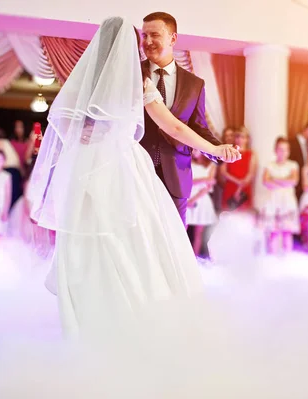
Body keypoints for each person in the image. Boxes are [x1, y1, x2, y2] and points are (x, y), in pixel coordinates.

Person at [28, 17, 240, 339]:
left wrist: (86, 134)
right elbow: (174, 127)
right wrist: (216, 148)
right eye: (140, 38)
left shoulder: (88, 81)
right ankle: (133, 310)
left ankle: (86, 310)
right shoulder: (135, 81)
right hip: (121, 163)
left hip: (86, 166)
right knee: (136, 238)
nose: (144, 43)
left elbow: (66, 122)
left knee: (90, 236)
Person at [139, 12, 223, 226]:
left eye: (154, 35)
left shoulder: (195, 84)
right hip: (136, 172)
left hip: (176, 175)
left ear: (173, 38)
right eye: (144, 35)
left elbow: (198, 127)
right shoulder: (132, 73)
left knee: (174, 244)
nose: (147, 42)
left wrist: (218, 150)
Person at [260, 137, 300, 254]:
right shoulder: (269, 165)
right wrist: (284, 181)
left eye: (285, 150)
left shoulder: (293, 165)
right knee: (273, 232)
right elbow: (266, 182)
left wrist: (274, 179)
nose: (282, 152)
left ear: (289, 151)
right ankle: (273, 261)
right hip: (273, 200)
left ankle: (287, 261)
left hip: (287, 201)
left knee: (287, 232)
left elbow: (293, 181)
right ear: (275, 150)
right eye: (280, 149)